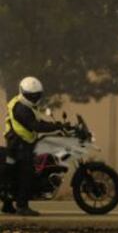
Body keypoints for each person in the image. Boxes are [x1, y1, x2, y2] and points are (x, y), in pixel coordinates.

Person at [2, 76, 60, 216]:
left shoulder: (27, 105)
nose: (34, 98)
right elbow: (34, 125)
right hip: (18, 143)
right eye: (31, 95)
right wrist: (56, 126)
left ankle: (7, 205)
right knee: (26, 173)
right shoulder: (21, 108)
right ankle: (22, 206)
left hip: (23, 141)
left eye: (36, 95)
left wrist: (55, 124)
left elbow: (38, 120)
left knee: (15, 174)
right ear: (23, 92)